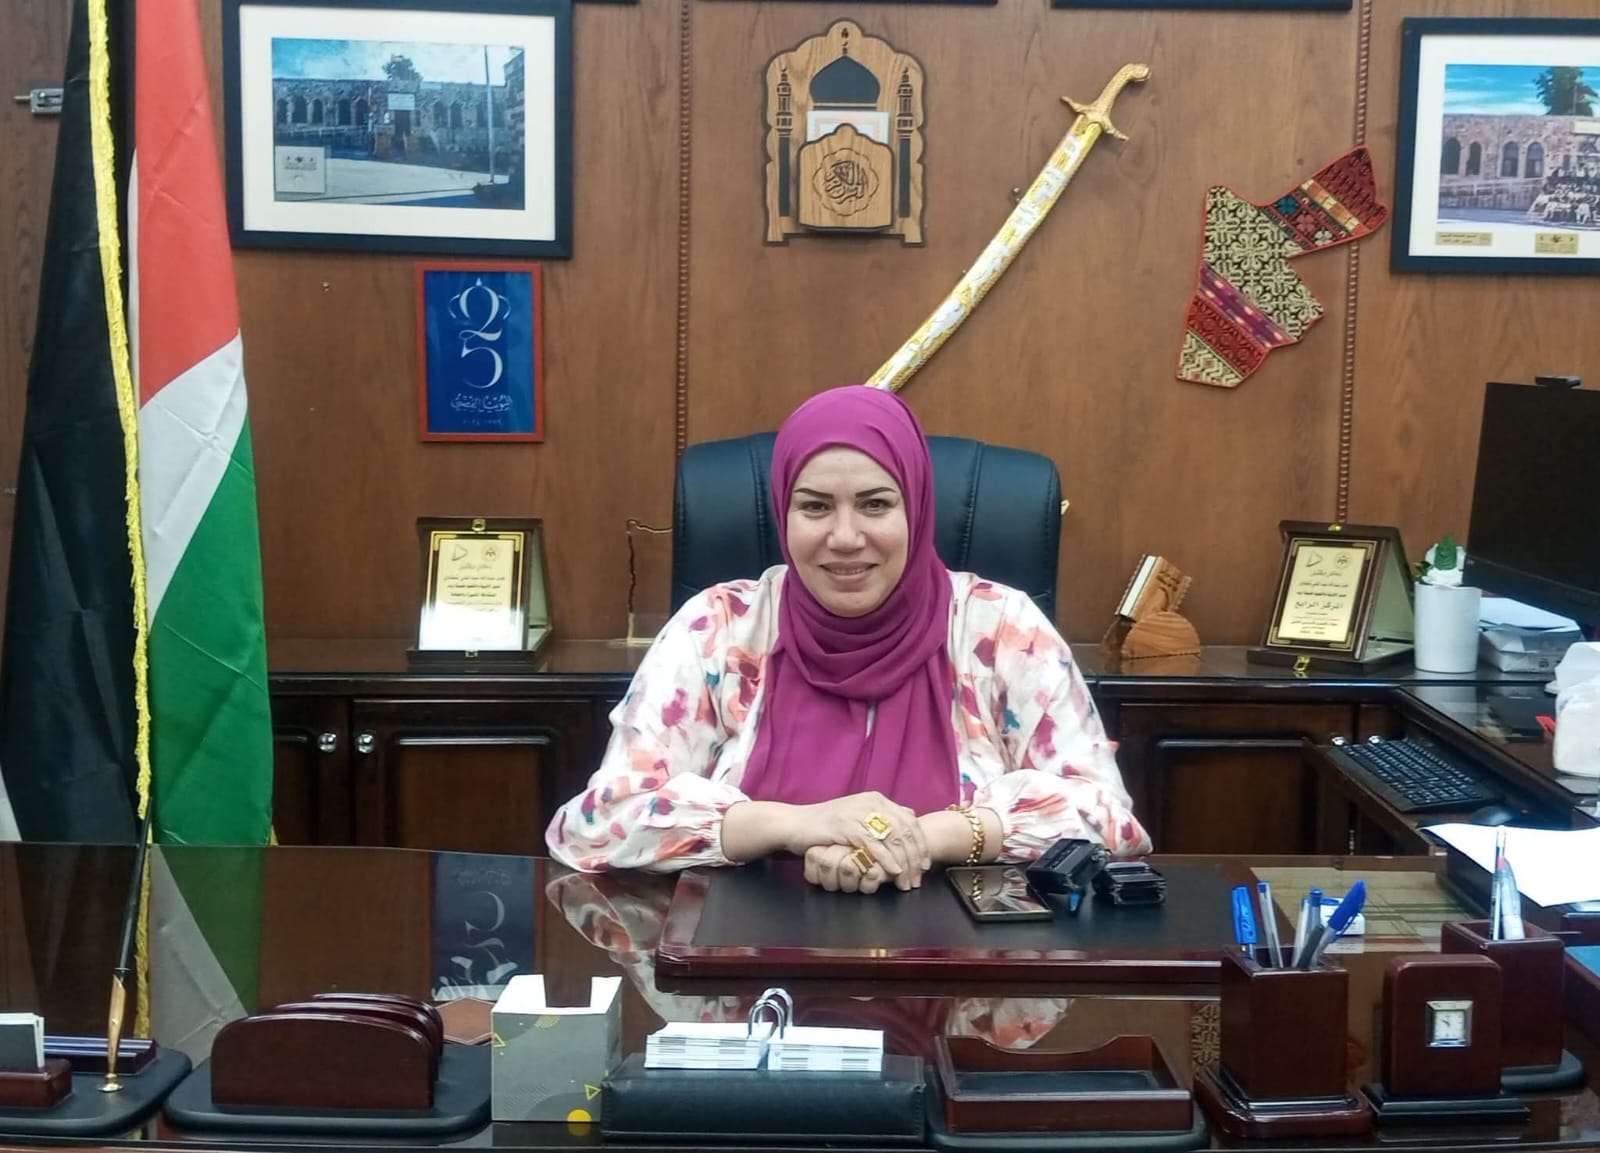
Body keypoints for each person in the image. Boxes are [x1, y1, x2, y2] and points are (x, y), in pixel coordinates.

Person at [546, 385, 1150, 893]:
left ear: (917, 506)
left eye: (875, 504)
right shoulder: (721, 626)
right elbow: (597, 825)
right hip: (745, 970)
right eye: (814, 507)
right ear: (783, 513)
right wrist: (798, 825)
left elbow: (1106, 819)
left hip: (957, 973)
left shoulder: (999, 626)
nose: (844, 537)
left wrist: (923, 838)